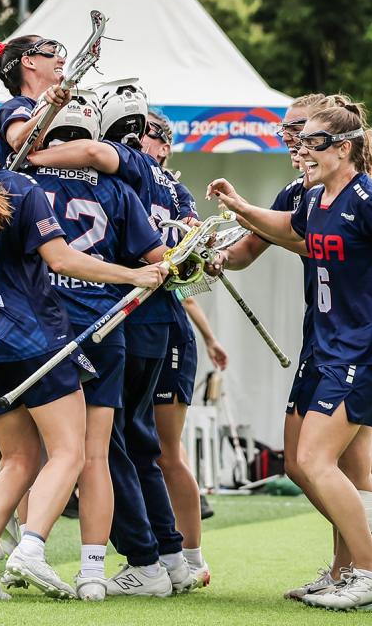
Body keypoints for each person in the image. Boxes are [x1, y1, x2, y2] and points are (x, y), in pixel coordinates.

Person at [207, 104, 372, 611]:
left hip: (364, 348)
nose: (300, 149)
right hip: (331, 345)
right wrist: (238, 208)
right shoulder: (314, 199)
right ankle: (364, 567)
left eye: (312, 141)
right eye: (299, 141)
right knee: (323, 461)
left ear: (344, 147)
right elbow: (284, 229)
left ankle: (371, 568)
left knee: (322, 460)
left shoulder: (368, 199)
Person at [0, 102, 165, 601]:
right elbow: (63, 258)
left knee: (20, 458)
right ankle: (29, 549)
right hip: (35, 339)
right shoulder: (20, 189)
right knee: (71, 452)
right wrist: (132, 274)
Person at [26, 80, 197, 597]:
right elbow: (177, 252)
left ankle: (143, 559)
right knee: (140, 447)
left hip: (117, 316)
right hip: (155, 319)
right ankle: (170, 555)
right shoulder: (167, 183)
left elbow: (98, 153)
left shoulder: (113, 171)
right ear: (145, 127)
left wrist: (30, 154)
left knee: (106, 450)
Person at [142, 110, 228, 588]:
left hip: (168, 329)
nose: (157, 147)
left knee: (164, 451)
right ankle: (154, 554)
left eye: (159, 139)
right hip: (138, 325)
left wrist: (208, 251)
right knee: (139, 448)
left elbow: (189, 276)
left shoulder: (174, 191)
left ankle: (192, 558)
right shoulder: (129, 180)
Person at [0, 35, 70, 167]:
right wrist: (54, 108)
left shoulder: (64, 105)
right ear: (29, 62)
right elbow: (19, 141)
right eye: (52, 53)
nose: (62, 60)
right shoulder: (14, 106)